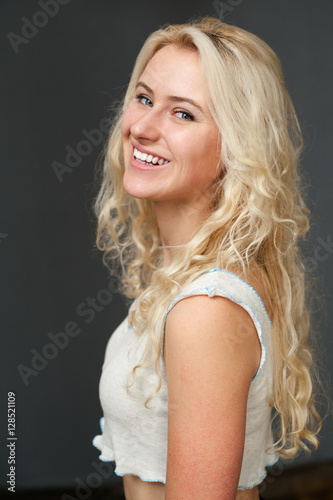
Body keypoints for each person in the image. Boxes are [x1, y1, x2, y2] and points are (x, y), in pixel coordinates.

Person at [92, 16, 322, 500]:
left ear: (236, 146)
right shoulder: (195, 277)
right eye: (145, 98)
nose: (143, 128)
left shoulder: (206, 308)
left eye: (183, 114)